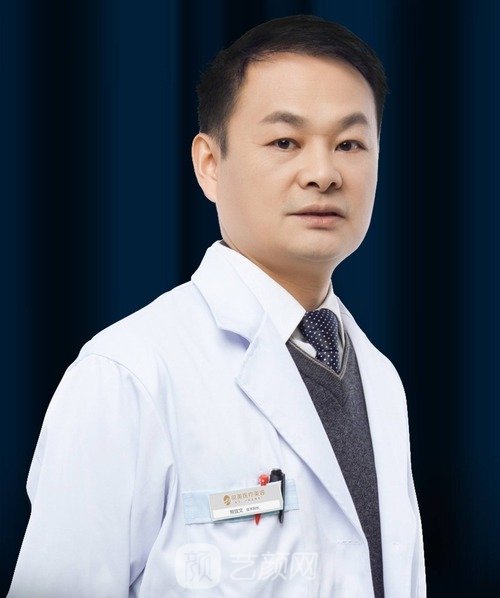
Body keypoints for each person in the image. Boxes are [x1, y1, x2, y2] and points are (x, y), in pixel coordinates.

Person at [8, 14, 425, 597]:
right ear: (209, 164)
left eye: (350, 144)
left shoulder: (380, 379)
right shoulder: (128, 375)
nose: (323, 173)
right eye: (285, 142)